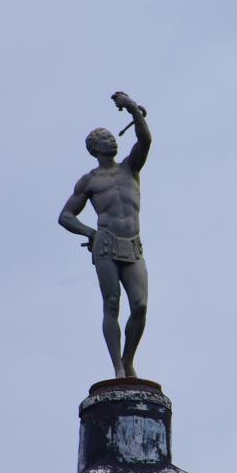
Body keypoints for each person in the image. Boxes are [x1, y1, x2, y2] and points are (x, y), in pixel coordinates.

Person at [58, 92, 151, 378]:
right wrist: (90, 233)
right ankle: (118, 368)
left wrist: (134, 110)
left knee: (140, 305)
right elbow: (65, 216)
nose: (112, 140)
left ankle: (129, 357)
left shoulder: (130, 168)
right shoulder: (90, 181)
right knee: (112, 304)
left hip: (132, 244)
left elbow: (145, 141)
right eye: (104, 138)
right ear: (94, 148)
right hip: (106, 244)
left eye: (112, 136)